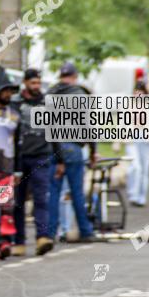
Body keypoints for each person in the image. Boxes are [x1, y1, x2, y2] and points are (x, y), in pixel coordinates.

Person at [47, 62, 96, 242]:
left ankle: (50, 233)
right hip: (73, 147)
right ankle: (85, 230)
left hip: (53, 147)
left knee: (53, 193)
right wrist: (93, 151)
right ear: (74, 77)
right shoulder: (80, 94)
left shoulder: (51, 93)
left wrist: (58, 157)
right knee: (77, 192)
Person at [11, 69, 54, 256]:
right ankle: (19, 241)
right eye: (33, 83)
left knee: (41, 199)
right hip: (18, 159)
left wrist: (59, 160)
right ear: (25, 83)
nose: (36, 86)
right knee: (17, 202)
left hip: (41, 156)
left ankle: (42, 237)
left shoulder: (47, 103)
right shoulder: (15, 103)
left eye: (38, 82)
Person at [126, 81, 149, 207]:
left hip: (145, 138)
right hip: (132, 138)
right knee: (135, 166)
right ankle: (133, 194)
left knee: (144, 169)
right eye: (136, 92)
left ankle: (142, 196)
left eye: (140, 92)